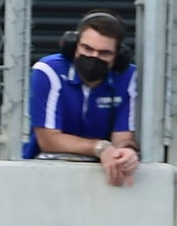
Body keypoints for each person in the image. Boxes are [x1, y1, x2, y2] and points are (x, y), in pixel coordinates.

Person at [22, 10, 139, 187]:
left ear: (118, 57)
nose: (93, 57)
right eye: (87, 48)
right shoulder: (49, 71)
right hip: (43, 173)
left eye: (104, 53)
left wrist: (126, 153)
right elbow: (48, 140)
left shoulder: (128, 77)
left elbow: (122, 137)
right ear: (74, 46)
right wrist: (101, 148)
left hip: (102, 175)